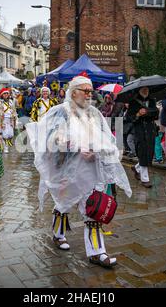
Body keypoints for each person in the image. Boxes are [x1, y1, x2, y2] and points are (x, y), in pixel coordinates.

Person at [25, 75, 132, 268]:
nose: (89, 95)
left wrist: (105, 151)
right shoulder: (60, 113)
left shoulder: (94, 113)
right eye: (86, 91)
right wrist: (72, 146)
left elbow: (106, 137)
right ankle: (58, 234)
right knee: (63, 203)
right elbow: (50, 139)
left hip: (90, 170)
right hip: (65, 169)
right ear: (73, 92)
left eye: (91, 92)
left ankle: (97, 252)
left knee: (92, 210)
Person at [128, 87, 159, 188]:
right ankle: (145, 179)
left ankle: (137, 168)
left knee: (149, 152)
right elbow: (129, 117)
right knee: (142, 151)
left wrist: (146, 111)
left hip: (150, 130)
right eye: (143, 89)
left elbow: (156, 113)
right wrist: (138, 114)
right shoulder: (133, 102)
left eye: (147, 89)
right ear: (139, 90)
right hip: (139, 130)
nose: (145, 91)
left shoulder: (152, 100)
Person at [0, 88, 17, 153]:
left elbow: (14, 111)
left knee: (10, 134)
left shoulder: (11, 102)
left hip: (10, 120)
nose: (6, 95)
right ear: (2, 95)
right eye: (4, 93)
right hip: (3, 120)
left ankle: (4, 145)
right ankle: (5, 147)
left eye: (7, 93)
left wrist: (15, 119)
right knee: (4, 134)